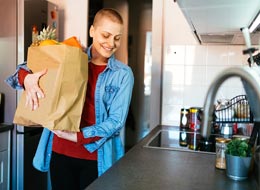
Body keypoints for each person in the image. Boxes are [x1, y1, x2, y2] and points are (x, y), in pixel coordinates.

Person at [6, 8, 134, 190]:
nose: (111, 43)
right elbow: (21, 69)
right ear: (92, 31)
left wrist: (78, 136)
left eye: (117, 37)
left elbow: (116, 121)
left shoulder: (123, 74)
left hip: (96, 158)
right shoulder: (70, 54)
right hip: (59, 152)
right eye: (106, 35)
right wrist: (27, 79)